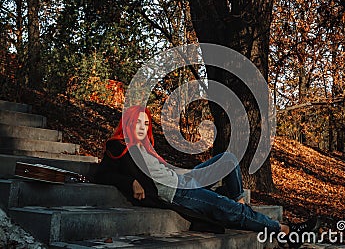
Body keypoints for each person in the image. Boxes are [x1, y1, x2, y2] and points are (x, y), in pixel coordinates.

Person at [95, 105, 319, 246]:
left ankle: (239, 202)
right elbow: (102, 174)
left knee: (228, 159)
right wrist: (132, 181)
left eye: (146, 123)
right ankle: (286, 231)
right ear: (128, 124)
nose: (143, 127)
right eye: (138, 123)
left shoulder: (146, 148)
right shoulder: (119, 146)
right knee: (229, 208)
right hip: (178, 193)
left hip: (185, 179)